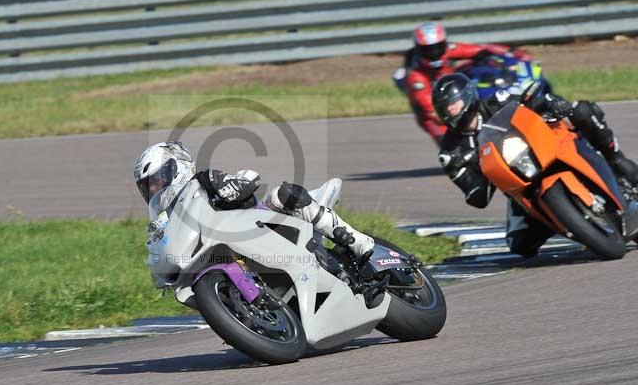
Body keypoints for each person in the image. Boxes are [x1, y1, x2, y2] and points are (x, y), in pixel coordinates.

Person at [432, 73, 638, 256]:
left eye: (452, 105)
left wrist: (550, 103)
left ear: (467, 97)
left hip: (543, 147)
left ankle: (616, 159)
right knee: (520, 245)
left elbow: (528, 104)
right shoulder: (451, 151)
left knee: (581, 110)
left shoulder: (496, 101)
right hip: (518, 185)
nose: (450, 112)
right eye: (444, 110)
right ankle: (566, 219)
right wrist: (478, 169)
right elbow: (476, 196)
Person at [134, 141, 375, 259]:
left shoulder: (204, 180)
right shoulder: (169, 220)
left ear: (176, 168)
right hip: (235, 252)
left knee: (281, 195)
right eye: (148, 186)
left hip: (270, 226)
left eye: (156, 180)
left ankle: (355, 239)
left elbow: (249, 178)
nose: (154, 189)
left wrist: (235, 185)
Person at [393, 21, 529, 144]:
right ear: (419, 49)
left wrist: (502, 56)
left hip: (454, 93)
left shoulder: (449, 50)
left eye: (437, 47)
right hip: (434, 114)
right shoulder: (415, 77)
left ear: (444, 43)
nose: (434, 53)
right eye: (428, 50)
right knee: (451, 142)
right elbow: (430, 108)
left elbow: (479, 50)